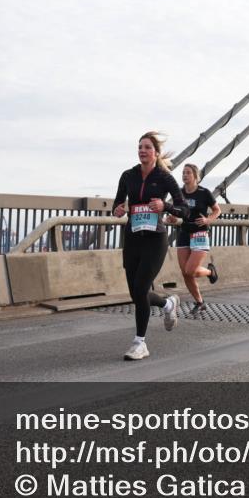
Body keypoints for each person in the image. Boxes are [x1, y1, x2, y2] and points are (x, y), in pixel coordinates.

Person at [113, 131, 188, 361]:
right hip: (133, 239)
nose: (142, 150)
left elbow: (183, 209)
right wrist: (118, 209)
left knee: (141, 286)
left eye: (147, 147)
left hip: (155, 241)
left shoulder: (164, 178)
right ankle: (167, 303)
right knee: (137, 293)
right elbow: (117, 203)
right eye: (140, 147)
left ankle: (140, 343)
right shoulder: (128, 176)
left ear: (155, 153)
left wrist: (164, 206)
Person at [167, 163, 221, 316]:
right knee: (185, 273)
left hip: (199, 234)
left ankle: (210, 272)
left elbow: (217, 210)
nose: (185, 175)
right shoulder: (179, 193)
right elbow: (176, 211)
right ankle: (199, 302)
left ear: (195, 176)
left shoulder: (204, 193)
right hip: (184, 232)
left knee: (190, 270)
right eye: (183, 173)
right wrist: (172, 217)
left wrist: (208, 220)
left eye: (188, 173)